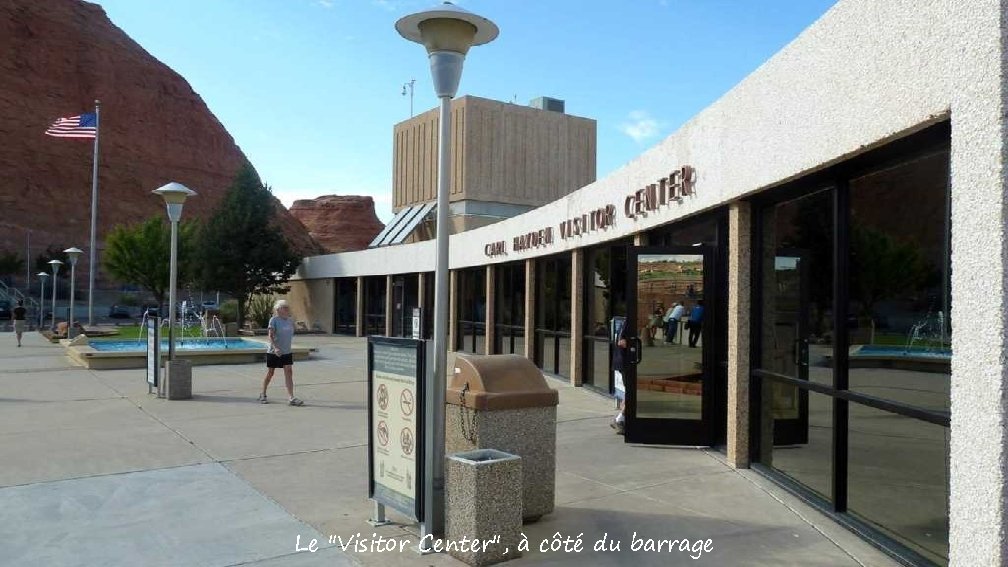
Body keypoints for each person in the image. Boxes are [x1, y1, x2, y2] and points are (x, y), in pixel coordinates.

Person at [259, 299, 303, 406]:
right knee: (271, 373)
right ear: (278, 310)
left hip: (287, 351)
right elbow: (270, 335)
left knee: (289, 372)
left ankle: (291, 397)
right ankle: (263, 394)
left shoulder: (290, 320)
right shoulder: (273, 320)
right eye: (285, 307)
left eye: (287, 307)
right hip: (274, 351)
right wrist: (276, 347)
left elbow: (291, 332)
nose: (287, 309)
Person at [610, 319, 629, 435]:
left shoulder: (627, 323)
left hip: (623, 362)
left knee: (629, 393)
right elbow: (622, 342)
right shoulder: (629, 323)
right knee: (631, 393)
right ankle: (619, 420)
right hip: (625, 363)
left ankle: (622, 419)